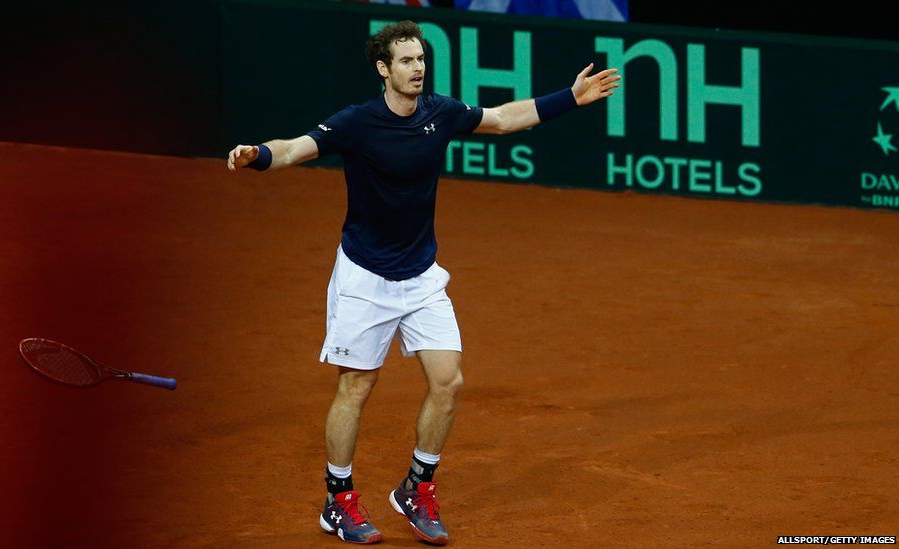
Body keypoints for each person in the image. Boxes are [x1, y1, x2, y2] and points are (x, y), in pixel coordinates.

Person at [227, 20, 619, 545]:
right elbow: (297, 148)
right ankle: (337, 500)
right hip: (364, 277)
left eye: (421, 60)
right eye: (406, 61)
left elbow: (502, 119)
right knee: (357, 386)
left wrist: (568, 98)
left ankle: (416, 488)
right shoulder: (357, 123)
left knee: (448, 381)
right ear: (383, 69)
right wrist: (259, 155)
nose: (417, 70)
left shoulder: (440, 112)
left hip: (421, 276)